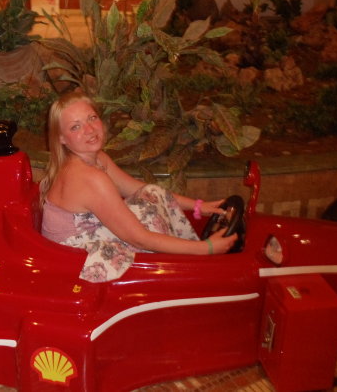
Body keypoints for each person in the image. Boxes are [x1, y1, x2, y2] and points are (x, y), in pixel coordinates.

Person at [40, 90, 238, 282]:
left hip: (86, 239)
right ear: (61, 138)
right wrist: (207, 249)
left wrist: (198, 206)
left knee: (151, 194)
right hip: (74, 260)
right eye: (75, 127)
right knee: (152, 228)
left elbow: (139, 189)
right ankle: (185, 274)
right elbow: (139, 239)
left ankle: (187, 260)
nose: (89, 130)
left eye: (92, 118)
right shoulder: (88, 178)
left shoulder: (96, 159)